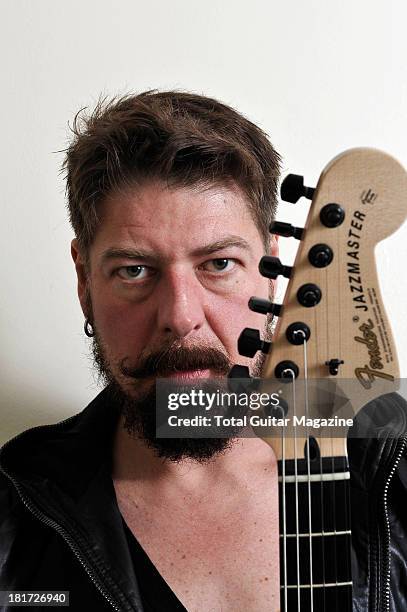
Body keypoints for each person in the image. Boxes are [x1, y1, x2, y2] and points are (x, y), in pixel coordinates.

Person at [0, 91, 406, 612]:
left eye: (218, 264)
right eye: (134, 270)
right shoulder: (14, 519)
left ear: (276, 271)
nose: (180, 315)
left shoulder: (395, 472)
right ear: (84, 282)